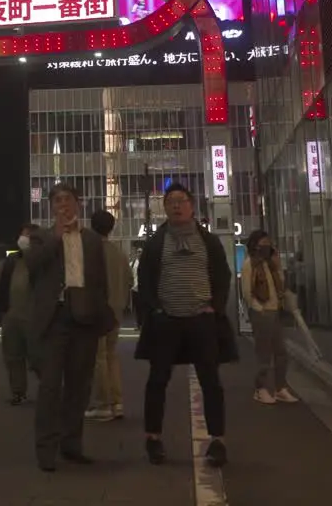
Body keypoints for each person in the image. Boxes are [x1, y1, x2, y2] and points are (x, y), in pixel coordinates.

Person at [135, 183, 230, 467]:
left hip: (201, 319)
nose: (176, 205)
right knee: (157, 381)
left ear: (191, 206)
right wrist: (156, 310)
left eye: (181, 200)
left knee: (211, 382)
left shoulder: (208, 241)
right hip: (167, 321)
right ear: (164, 208)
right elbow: (145, 280)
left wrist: (215, 306)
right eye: (171, 201)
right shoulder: (155, 243)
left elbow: (222, 276)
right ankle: (153, 439)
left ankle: (218, 441)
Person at [26, 183, 116, 472]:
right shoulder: (40, 237)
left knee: (80, 386)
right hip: (55, 319)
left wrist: (102, 316)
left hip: (85, 318)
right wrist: (57, 236)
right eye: (57, 200)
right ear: (51, 207)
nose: (63, 205)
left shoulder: (91, 240)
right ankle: (45, 451)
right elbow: (33, 265)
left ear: (79, 203)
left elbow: (100, 281)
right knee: (51, 387)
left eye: (68, 200)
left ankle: (72, 445)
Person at [86, 211, 133, 421]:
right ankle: (117, 401)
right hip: (116, 309)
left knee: (98, 357)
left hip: (96, 310)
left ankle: (102, 404)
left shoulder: (90, 251)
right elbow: (130, 282)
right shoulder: (119, 253)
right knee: (111, 355)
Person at [242, 230, 298, 405]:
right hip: (262, 313)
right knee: (264, 353)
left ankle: (280, 388)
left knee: (281, 352)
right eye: (263, 242)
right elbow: (246, 291)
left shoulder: (271, 264)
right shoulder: (250, 264)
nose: (267, 245)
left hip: (275, 311)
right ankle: (261, 388)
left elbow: (280, 284)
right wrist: (258, 308)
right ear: (255, 244)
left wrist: (278, 265)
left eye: (269, 242)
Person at [0, 226, 39, 405]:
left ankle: (50, 388)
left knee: (37, 356)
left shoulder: (40, 260)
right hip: (12, 314)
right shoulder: (12, 259)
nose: (24, 238)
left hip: (33, 314)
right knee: (13, 355)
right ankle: (18, 391)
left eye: (28, 235)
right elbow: (4, 286)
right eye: (23, 234)